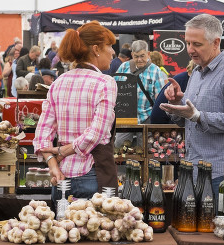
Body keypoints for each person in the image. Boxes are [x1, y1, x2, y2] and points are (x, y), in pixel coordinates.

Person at [161, 14, 224, 197]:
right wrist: (177, 102)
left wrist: (198, 116)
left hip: (221, 176)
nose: (190, 50)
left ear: (216, 43)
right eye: (188, 43)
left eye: (197, 44)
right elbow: (189, 120)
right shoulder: (197, 71)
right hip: (193, 171)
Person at [34, 22, 118, 197]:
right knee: (97, 224)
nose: (113, 52)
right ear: (96, 49)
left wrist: (54, 164)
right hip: (94, 174)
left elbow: (42, 134)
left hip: (60, 176)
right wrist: (61, 152)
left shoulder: (58, 83)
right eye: (109, 46)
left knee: (60, 224)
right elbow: (96, 133)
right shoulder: (105, 83)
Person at [116, 40, 167, 125]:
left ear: (148, 54)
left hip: (146, 117)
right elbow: (114, 89)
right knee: (121, 139)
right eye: (136, 56)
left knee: (144, 138)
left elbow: (159, 98)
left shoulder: (156, 71)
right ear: (132, 55)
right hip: (125, 117)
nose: (139, 60)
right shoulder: (124, 67)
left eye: (142, 56)